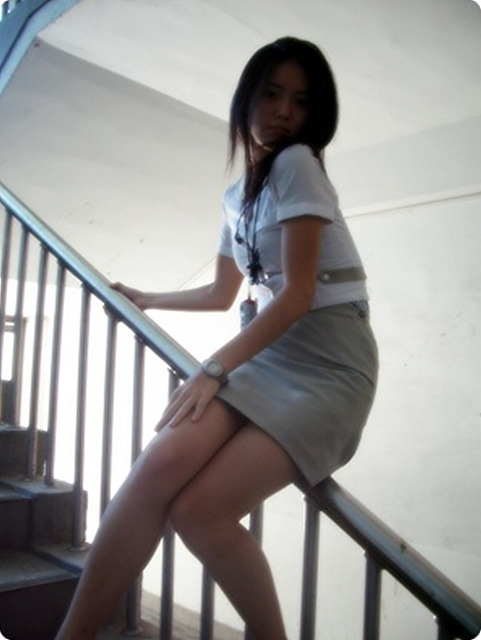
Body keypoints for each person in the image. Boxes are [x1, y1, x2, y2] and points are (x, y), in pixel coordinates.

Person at [54, 36, 378, 640]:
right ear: (246, 99)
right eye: (271, 95)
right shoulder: (236, 197)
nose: (284, 112)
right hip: (269, 354)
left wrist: (213, 369)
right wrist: (148, 298)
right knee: (156, 469)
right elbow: (223, 293)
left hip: (329, 364)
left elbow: (299, 294)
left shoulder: (297, 164)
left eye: (301, 102)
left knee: (200, 511)